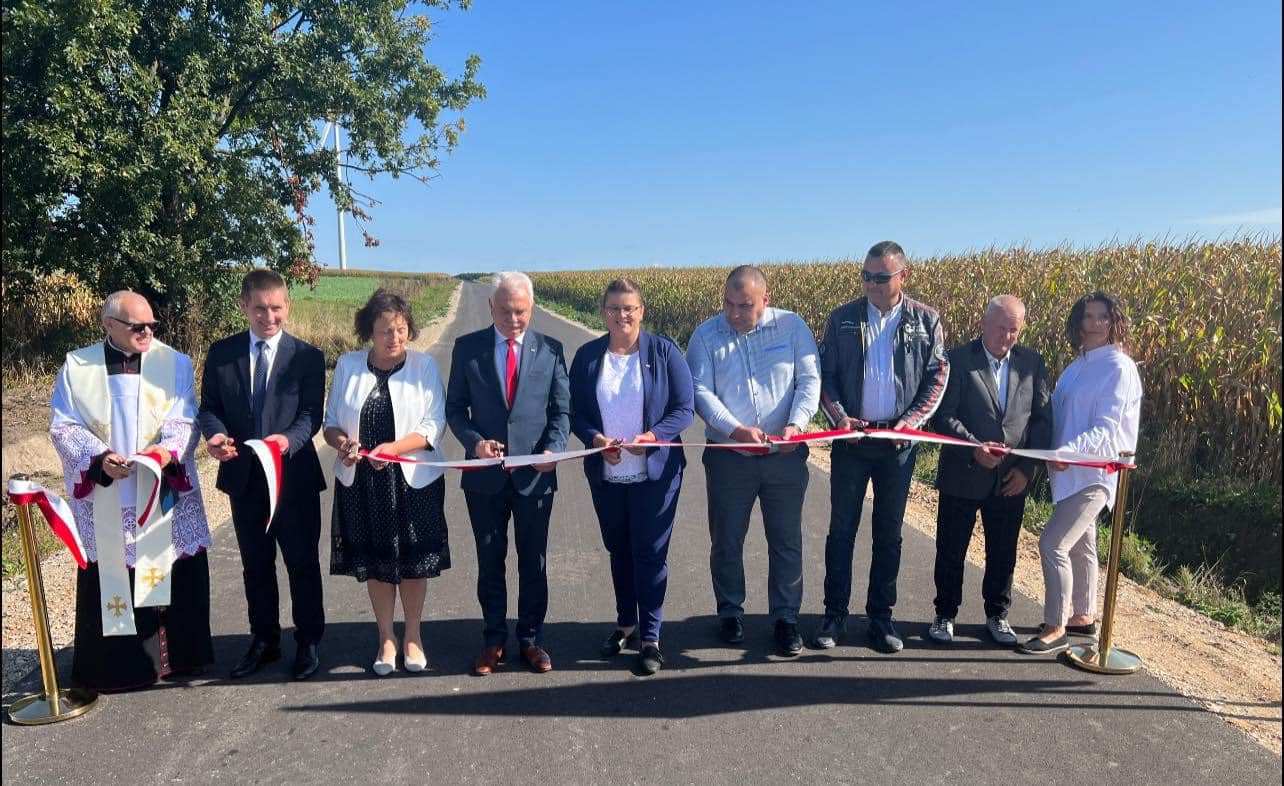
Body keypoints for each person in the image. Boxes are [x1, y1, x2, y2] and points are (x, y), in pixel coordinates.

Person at [49, 290, 213, 691]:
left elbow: (186, 417)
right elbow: (64, 426)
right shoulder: (78, 366)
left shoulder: (174, 362)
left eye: (152, 325)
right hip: (110, 490)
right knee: (112, 571)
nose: (147, 333)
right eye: (138, 326)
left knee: (172, 567)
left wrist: (165, 452)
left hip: (159, 482)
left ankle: (179, 660)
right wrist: (100, 458)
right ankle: (119, 668)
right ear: (109, 324)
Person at [813, 241, 949, 653]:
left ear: (903, 276)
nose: (872, 284)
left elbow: (937, 376)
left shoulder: (926, 320)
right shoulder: (842, 319)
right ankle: (834, 614)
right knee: (841, 531)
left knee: (889, 534)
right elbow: (826, 376)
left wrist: (912, 421)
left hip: (898, 445)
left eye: (881, 277)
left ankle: (880, 617)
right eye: (866, 276)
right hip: (852, 440)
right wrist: (840, 418)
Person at [198, 269, 327, 681]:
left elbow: (311, 414)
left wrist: (288, 440)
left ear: (287, 306)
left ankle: (308, 641)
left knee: (302, 563)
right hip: (244, 479)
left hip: (293, 478)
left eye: (276, 308)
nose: (268, 317)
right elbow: (210, 407)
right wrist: (215, 435)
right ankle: (264, 640)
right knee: (256, 565)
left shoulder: (308, 357)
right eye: (259, 309)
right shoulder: (222, 354)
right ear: (244, 306)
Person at [686, 265, 820, 656]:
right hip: (729, 456)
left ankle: (786, 619)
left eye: (744, 305)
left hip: (785, 457)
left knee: (786, 541)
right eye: (728, 303)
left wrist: (797, 424)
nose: (733, 313)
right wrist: (735, 429)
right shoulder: (706, 336)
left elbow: (809, 380)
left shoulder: (792, 328)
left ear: (766, 299)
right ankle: (730, 611)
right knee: (727, 539)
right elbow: (700, 392)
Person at [445, 271, 571, 675]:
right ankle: (493, 640)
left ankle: (531, 639)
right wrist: (474, 443)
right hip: (485, 478)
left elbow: (561, 411)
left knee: (534, 562)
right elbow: (454, 408)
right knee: (490, 561)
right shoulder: (468, 349)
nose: (513, 319)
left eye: (521, 312)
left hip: (535, 476)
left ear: (531, 308)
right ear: (490, 307)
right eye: (505, 311)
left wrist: (554, 449)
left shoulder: (551, 350)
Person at [569, 279, 695, 674]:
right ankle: (626, 624)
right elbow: (576, 412)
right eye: (614, 308)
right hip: (608, 474)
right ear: (603, 312)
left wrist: (654, 437)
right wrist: (595, 439)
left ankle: (651, 637)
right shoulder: (588, 356)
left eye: (629, 308)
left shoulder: (665, 351)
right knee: (619, 550)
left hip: (655, 475)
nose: (622, 315)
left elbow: (684, 408)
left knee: (650, 554)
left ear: (642, 311)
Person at [323, 289, 450, 676]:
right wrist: (344, 445)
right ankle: (385, 638)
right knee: (377, 564)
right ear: (369, 331)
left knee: (413, 563)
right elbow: (330, 424)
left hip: (413, 482)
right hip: (363, 483)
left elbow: (434, 425)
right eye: (385, 331)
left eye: (401, 329)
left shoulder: (424, 366)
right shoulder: (347, 365)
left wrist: (392, 449)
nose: (394, 338)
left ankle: (412, 635)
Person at [1020, 291, 1142, 654]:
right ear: (1079, 322)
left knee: (1053, 543)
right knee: (1082, 546)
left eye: (1103, 317)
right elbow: (1059, 417)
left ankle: (1055, 626)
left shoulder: (1119, 368)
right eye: (1088, 316)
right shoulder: (1076, 367)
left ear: (1114, 321)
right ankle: (1083, 616)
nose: (1095, 323)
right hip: (1066, 471)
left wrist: (1070, 453)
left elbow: (1107, 428)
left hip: (1093, 473)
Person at [929, 295, 1052, 646]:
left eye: (1014, 330)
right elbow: (943, 416)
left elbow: (1042, 420)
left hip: (1010, 478)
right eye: (1001, 328)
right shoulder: (957, 360)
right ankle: (945, 613)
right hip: (963, 472)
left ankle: (997, 614)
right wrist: (973, 448)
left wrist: (1027, 469)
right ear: (983, 323)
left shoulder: (1032, 363)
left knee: (1003, 551)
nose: (1007, 336)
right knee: (951, 549)